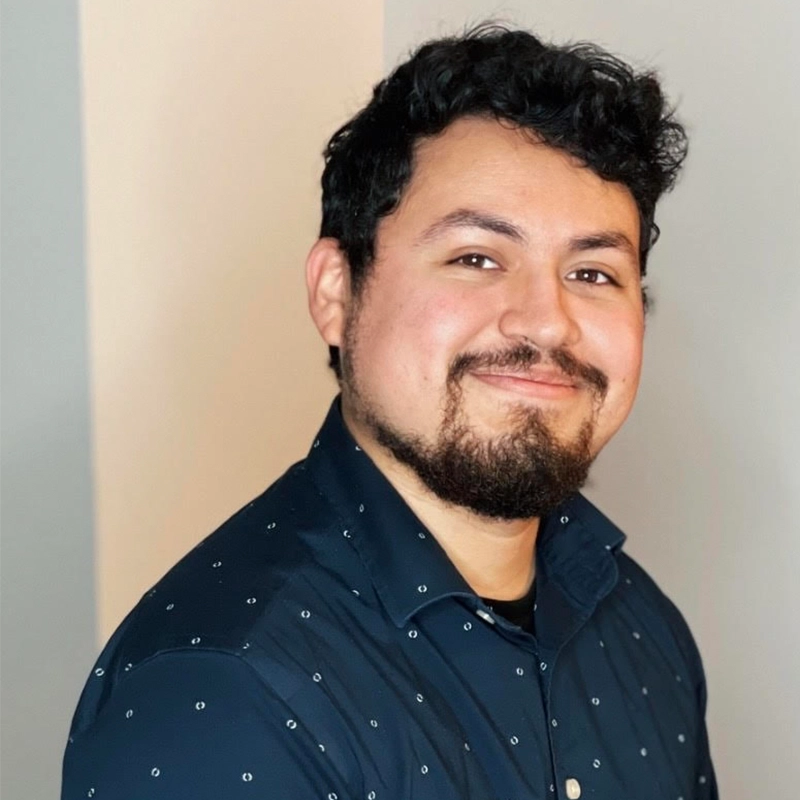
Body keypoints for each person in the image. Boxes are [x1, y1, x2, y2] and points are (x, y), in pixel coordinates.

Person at [62, 25, 717, 800]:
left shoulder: (642, 626)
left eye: (593, 271)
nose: (547, 322)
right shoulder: (224, 690)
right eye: (477, 258)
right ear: (336, 292)